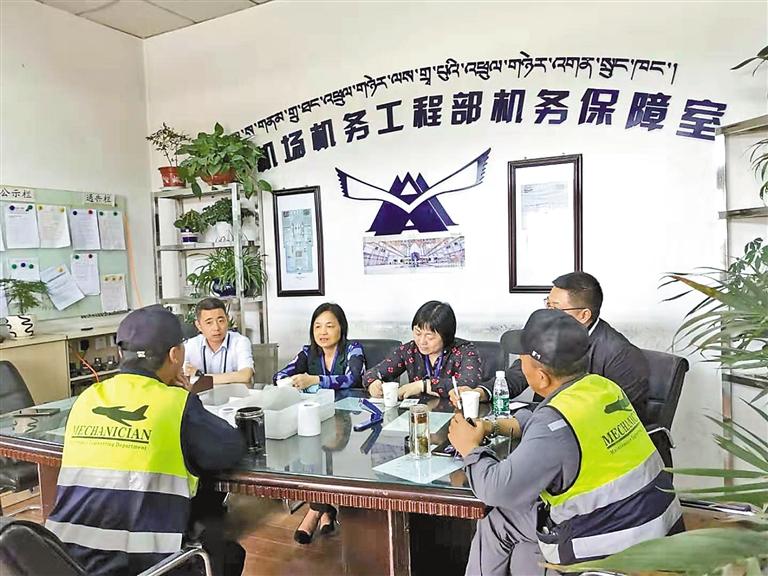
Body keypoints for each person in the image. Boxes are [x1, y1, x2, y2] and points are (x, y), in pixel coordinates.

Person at [448, 309, 683, 575]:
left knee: (500, 515)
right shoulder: (602, 387)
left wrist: (470, 448)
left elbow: (496, 489)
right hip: (655, 523)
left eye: (522, 359)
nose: (519, 364)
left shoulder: (553, 424)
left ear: (541, 377)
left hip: (612, 539)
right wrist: (498, 425)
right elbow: (562, 426)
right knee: (518, 542)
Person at [46, 305, 246, 576]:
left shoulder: (87, 398)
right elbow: (230, 449)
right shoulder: (174, 403)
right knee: (228, 553)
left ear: (120, 354)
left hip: (64, 561)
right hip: (142, 567)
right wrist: (185, 396)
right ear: (175, 355)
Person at [478, 272, 650, 423]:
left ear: (584, 315)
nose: (548, 313)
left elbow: (623, 416)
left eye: (555, 308)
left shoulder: (620, 355)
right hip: (544, 422)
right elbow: (523, 370)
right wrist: (482, 392)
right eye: (548, 305)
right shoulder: (549, 333)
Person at [272, 302, 364, 544]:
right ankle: (324, 510)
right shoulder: (307, 352)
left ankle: (314, 512)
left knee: (330, 460)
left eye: (329, 326)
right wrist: (290, 382)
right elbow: (279, 375)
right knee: (313, 458)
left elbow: (351, 379)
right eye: (317, 326)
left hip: (349, 419)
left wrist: (315, 380)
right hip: (316, 416)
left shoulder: (353, 349)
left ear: (341, 328)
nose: (323, 332)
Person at [363, 300, 486, 400]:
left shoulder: (465, 350)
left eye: (429, 336)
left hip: (455, 416)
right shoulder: (410, 350)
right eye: (418, 333)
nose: (422, 341)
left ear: (446, 336)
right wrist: (373, 383)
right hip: (418, 415)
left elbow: (469, 385)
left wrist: (424, 385)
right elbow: (373, 372)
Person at [184, 297, 254, 385]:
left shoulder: (240, 342)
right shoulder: (190, 345)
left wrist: (200, 375)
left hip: (234, 393)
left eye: (221, 321)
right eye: (209, 323)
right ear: (199, 325)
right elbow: (181, 377)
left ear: (227, 319)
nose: (216, 328)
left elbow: (245, 376)